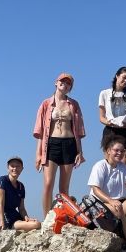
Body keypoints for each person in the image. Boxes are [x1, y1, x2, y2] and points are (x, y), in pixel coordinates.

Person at [34, 73, 85, 217]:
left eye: (68, 83)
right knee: (48, 184)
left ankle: (62, 217)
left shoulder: (74, 104)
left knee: (64, 187)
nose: (65, 84)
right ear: (56, 83)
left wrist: (80, 152)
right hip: (51, 143)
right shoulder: (46, 104)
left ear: (70, 87)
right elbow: (40, 131)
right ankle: (46, 219)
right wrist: (38, 154)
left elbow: (79, 130)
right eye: (62, 81)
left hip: (69, 144)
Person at [87, 136, 126, 249]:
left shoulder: (122, 166)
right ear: (109, 151)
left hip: (119, 200)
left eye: (122, 151)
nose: (119, 153)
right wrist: (110, 200)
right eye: (116, 150)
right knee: (118, 207)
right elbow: (95, 188)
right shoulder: (100, 166)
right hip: (101, 203)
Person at [99, 66, 126, 166]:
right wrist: (108, 122)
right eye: (124, 77)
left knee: (123, 167)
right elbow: (101, 117)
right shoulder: (104, 93)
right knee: (109, 165)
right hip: (110, 131)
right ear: (117, 76)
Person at [0, 156, 41, 232]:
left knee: (37, 223)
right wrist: (1, 222)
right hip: (6, 218)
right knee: (36, 224)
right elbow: (0, 204)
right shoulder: (2, 181)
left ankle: (21, 228)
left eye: (18, 166)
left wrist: (27, 218)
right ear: (8, 168)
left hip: (16, 216)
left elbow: (21, 208)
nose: (15, 168)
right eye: (12, 166)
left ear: (22, 168)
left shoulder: (21, 186)